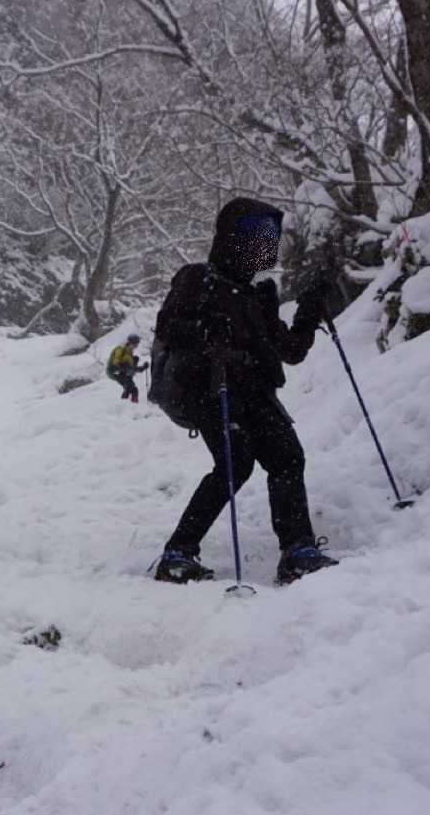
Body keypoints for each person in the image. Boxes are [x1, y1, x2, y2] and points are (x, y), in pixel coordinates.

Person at [153, 197, 340, 586]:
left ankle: (297, 551)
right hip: (209, 389)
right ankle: (178, 552)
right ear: (230, 238)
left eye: (269, 237)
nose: (263, 245)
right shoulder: (197, 279)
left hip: (256, 392)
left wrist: (309, 309)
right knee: (235, 463)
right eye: (254, 235)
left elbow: (291, 350)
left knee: (287, 457)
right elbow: (168, 328)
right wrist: (205, 330)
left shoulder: (258, 295)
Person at [106, 334, 147, 403]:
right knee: (133, 390)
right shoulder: (121, 349)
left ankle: (125, 400)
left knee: (135, 359)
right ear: (131, 343)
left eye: (137, 344)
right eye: (136, 344)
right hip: (114, 371)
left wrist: (142, 368)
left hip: (122, 371)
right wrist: (128, 368)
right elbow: (116, 363)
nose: (137, 346)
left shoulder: (129, 351)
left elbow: (131, 368)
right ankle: (130, 404)